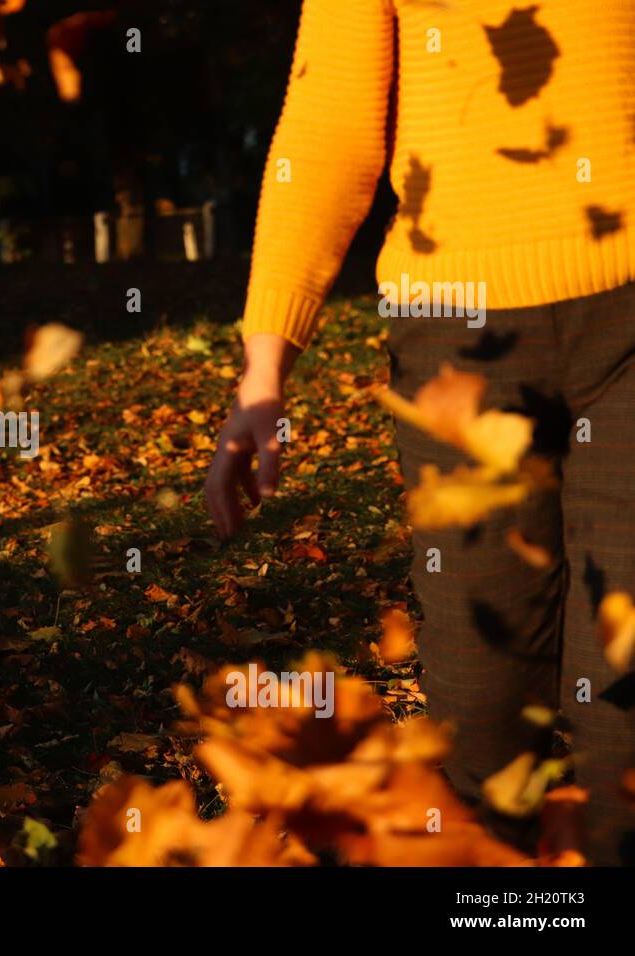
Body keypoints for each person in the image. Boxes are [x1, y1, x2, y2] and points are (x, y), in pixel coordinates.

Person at [205, 0, 635, 864]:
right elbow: (331, 120)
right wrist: (265, 369)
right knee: (478, 718)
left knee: (625, 719)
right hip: (456, 339)